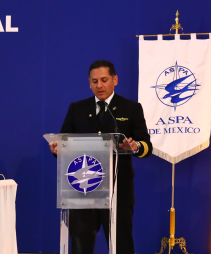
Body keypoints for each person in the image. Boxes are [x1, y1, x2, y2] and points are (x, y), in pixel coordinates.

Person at [49, 60, 152, 254]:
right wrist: (57, 149)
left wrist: (134, 146)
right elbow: (64, 141)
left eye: (104, 80)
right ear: (89, 83)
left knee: (121, 245)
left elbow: (147, 146)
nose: (99, 85)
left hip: (118, 190)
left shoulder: (131, 108)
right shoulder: (77, 108)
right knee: (81, 246)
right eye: (94, 81)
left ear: (115, 80)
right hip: (82, 189)